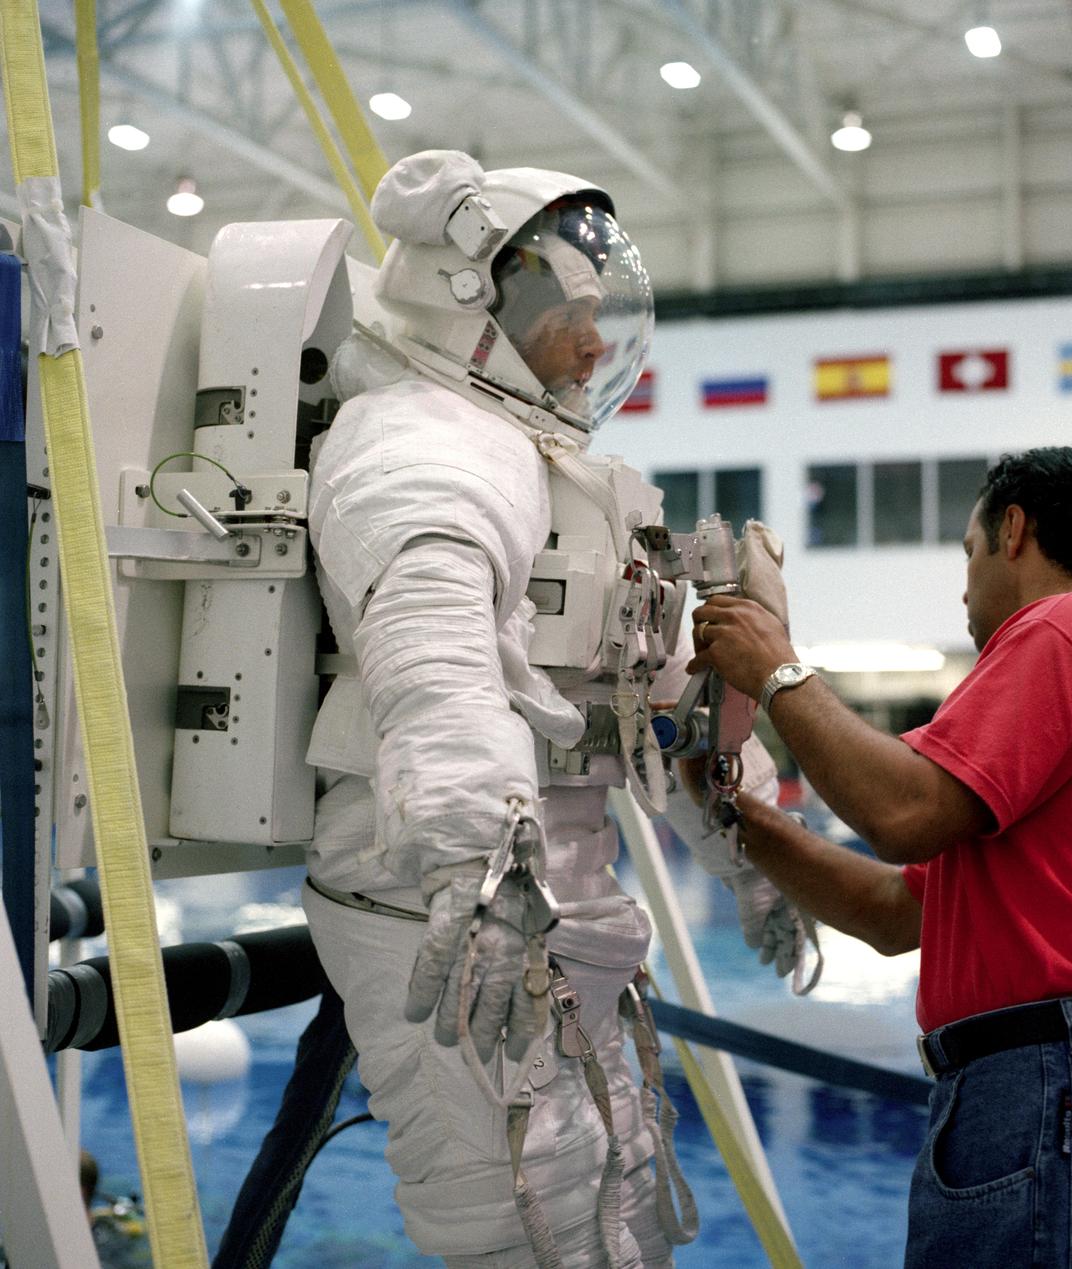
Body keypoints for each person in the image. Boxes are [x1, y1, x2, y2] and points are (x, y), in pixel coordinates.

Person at [299, 150, 811, 1267]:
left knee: (614, 1197)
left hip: (552, 897)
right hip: (438, 896)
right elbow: (433, 664)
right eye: (562, 315)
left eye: (598, 317)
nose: (589, 345)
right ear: (466, 304)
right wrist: (477, 865)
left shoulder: (562, 474)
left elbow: (663, 700)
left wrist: (760, 861)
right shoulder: (418, 447)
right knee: (534, 1226)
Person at [687, 446, 1072, 1268]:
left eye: (967, 553)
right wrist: (736, 816)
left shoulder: (1067, 626)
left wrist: (777, 670)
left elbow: (904, 812)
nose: (963, 584)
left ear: (1013, 530)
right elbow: (895, 913)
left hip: (1061, 1080)